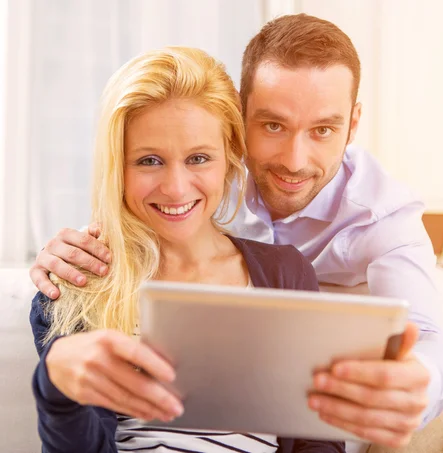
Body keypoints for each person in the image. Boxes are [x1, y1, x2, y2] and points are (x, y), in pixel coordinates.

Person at [29, 14, 443, 449]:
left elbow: (427, 339)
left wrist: (410, 388)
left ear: (353, 123)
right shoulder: (85, 276)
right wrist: (72, 258)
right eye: (273, 125)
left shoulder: (380, 221)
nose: (294, 160)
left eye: (323, 129)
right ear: (242, 115)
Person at [30, 46, 347, 453]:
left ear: (231, 159)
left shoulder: (286, 274)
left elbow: (317, 441)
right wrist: (54, 386)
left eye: (198, 158)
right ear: (117, 168)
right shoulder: (76, 286)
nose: (177, 188)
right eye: (148, 161)